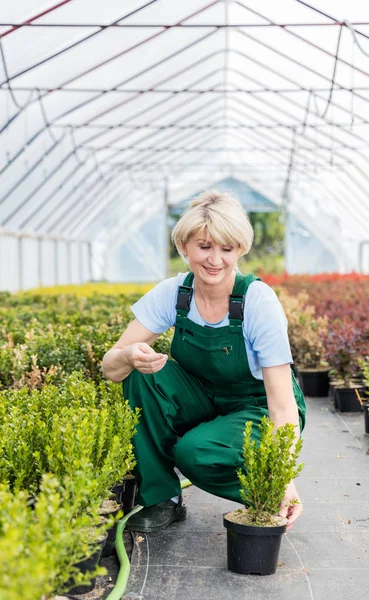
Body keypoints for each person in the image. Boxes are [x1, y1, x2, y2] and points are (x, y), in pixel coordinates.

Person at [101, 190, 306, 533]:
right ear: (184, 246)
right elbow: (111, 367)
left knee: (194, 452)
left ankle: (268, 494)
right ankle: (162, 499)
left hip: (255, 408)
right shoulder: (173, 293)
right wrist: (127, 355)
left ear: (240, 249)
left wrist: (284, 478)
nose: (215, 260)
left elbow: (282, 407)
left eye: (227, 249)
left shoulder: (257, 302)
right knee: (140, 373)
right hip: (202, 399)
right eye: (205, 246)